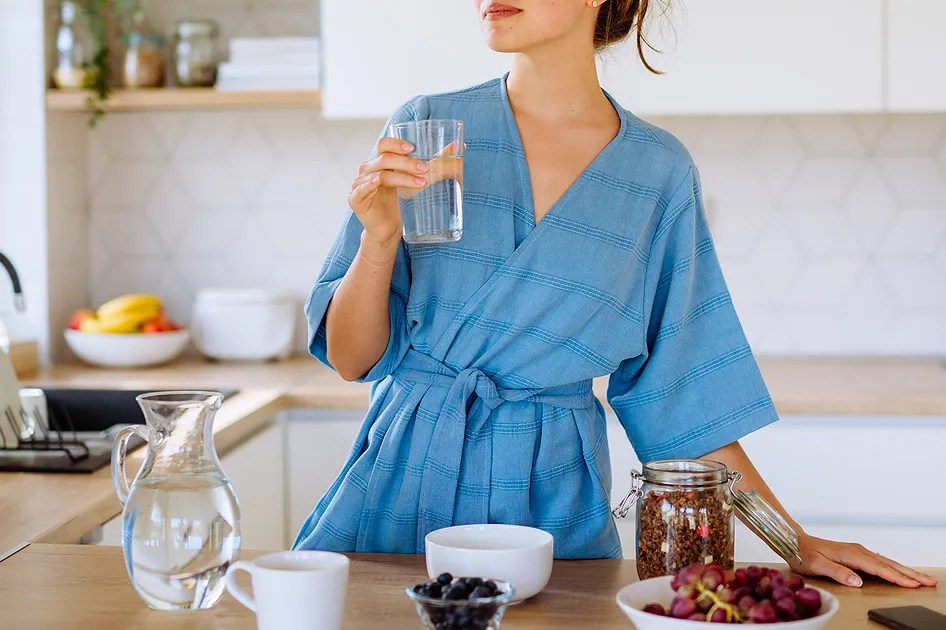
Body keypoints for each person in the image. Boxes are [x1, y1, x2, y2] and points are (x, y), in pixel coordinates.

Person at [294, 0, 936, 589]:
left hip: (548, 514)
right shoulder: (430, 127)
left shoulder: (657, 174)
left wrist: (789, 540)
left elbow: (682, 401)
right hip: (398, 489)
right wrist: (377, 241)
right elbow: (353, 359)